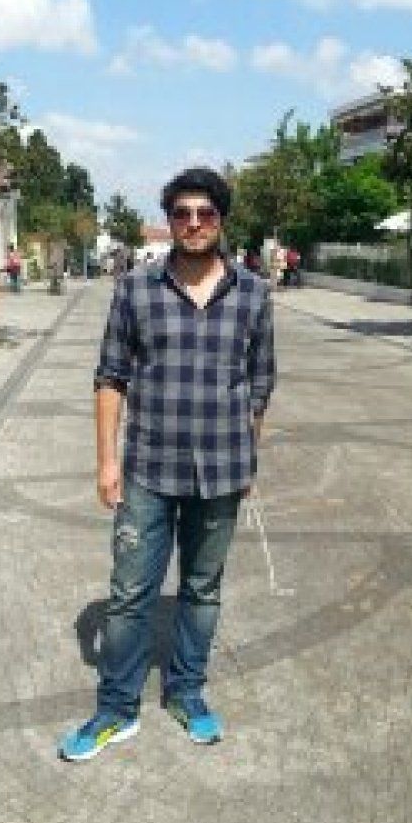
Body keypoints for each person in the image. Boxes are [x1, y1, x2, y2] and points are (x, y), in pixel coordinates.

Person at [58, 167, 276, 762]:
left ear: (221, 221)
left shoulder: (254, 294)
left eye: (205, 213)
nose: (194, 223)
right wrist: (107, 462)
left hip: (223, 471)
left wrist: (250, 457)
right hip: (149, 470)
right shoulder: (135, 289)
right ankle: (116, 708)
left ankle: (186, 692)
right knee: (130, 593)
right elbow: (110, 377)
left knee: (202, 590)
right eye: (182, 213)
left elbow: (260, 384)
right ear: (171, 221)